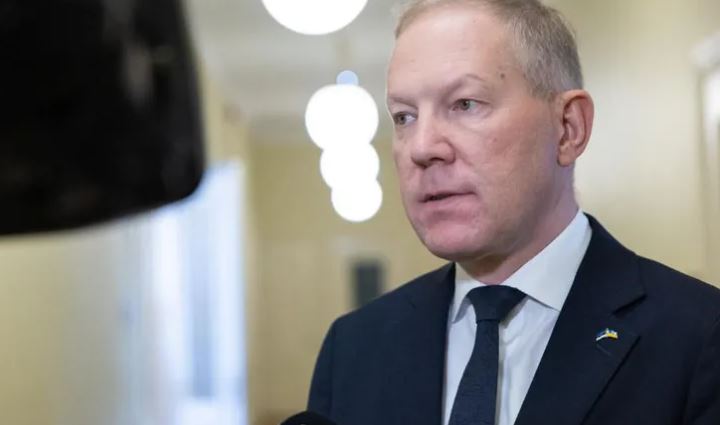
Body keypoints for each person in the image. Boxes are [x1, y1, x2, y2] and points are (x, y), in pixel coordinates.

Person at [307, 1, 720, 424]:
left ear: (568, 128)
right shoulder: (353, 348)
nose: (422, 147)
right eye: (404, 116)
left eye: (465, 104)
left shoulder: (700, 336)